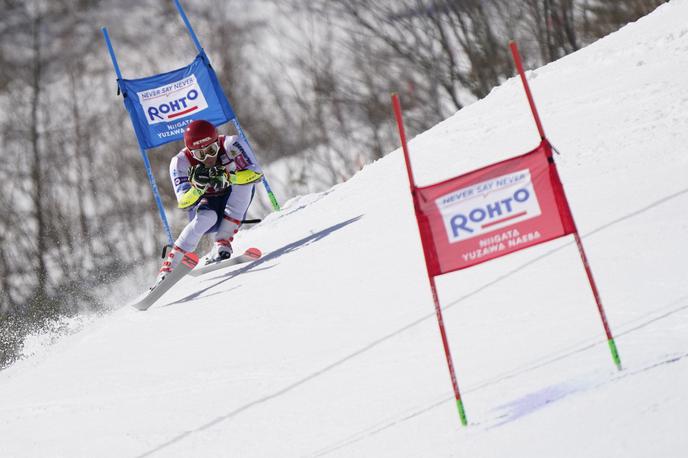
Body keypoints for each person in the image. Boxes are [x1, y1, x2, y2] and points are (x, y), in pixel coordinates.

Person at [156, 119, 263, 285]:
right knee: (207, 218)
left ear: (217, 142)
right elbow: (184, 203)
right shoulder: (180, 162)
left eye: (212, 149)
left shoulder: (231, 144)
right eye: (200, 154)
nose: (208, 158)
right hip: (206, 205)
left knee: (245, 185)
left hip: (233, 201)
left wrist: (230, 176)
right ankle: (169, 267)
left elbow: (257, 174)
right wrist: (198, 188)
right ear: (191, 152)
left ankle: (223, 241)